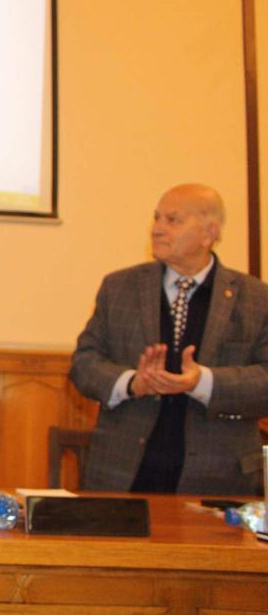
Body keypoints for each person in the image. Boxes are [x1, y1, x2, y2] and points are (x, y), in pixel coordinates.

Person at [71, 184, 268, 495]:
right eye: (157, 218)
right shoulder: (119, 287)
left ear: (209, 233)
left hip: (219, 480)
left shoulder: (256, 298)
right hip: (122, 474)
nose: (157, 229)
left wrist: (203, 382)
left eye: (172, 220)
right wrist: (132, 383)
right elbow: (84, 363)